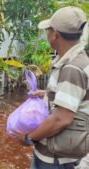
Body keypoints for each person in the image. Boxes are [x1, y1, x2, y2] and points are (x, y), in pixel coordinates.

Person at [12, 6, 88, 169]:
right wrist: (47, 94)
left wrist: (28, 137)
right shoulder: (76, 61)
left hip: (57, 160)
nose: (47, 35)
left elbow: (61, 118)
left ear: (55, 34)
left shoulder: (72, 68)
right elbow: (74, 98)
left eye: (48, 30)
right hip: (57, 155)